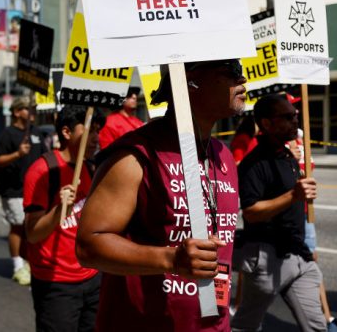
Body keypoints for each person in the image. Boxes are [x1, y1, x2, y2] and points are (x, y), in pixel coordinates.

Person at [76, 59, 247, 330]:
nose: (243, 79)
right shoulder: (136, 154)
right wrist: (171, 259)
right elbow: (89, 245)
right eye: (231, 71)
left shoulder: (223, 154)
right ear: (189, 81)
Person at [231, 94, 327, 331]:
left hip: (297, 254)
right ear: (266, 123)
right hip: (268, 258)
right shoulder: (254, 164)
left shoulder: (288, 156)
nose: (295, 120)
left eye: (295, 115)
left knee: (316, 327)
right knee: (246, 326)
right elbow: (251, 212)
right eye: (287, 117)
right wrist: (293, 195)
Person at [24, 105, 102, 332]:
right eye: (90, 130)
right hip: (56, 284)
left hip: (92, 277)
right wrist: (60, 211)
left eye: (98, 130)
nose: (96, 137)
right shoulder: (43, 170)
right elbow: (32, 233)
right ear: (66, 132)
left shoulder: (91, 167)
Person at [0, 96, 48, 286]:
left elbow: (44, 157)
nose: (32, 112)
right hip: (14, 189)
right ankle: (17, 264)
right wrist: (17, 154)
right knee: (18, 226)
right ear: (17, 112)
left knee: (32, 226)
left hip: (36, 188)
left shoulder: (36, 132)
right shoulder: (8, 134)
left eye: (33, 108)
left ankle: (31, 261)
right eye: (27, 108)